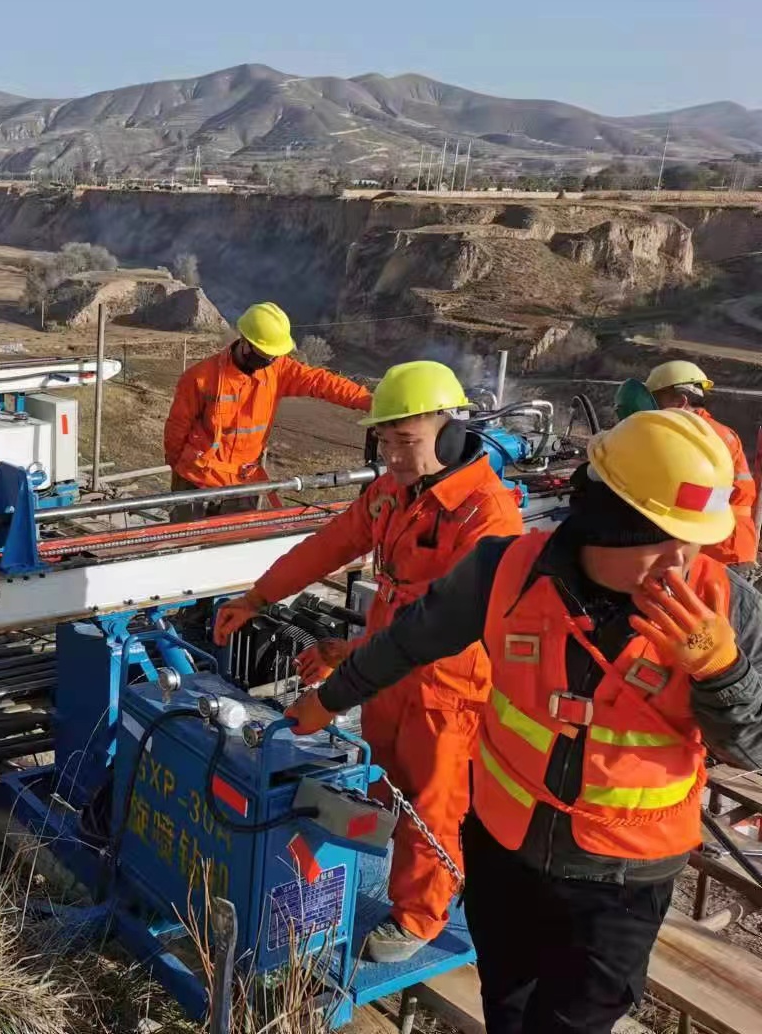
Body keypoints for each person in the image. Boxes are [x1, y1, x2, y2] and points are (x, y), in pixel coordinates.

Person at [284, 409, 762, 1034]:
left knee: (571, 1021)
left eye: (693, 541)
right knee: (506, 1006)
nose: (681, 565)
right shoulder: (504, 573)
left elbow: (749, 748)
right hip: (505, 855)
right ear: (606, 523)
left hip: (622, 883)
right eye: (662, 539)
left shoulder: (732, 610)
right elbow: (407, 642)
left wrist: (721, 672)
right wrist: (329, 700)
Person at [213, 360, 523, 962]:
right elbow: (330, 545)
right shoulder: (393, 493)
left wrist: (349, 667)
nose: (392, 459)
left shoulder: (488, 517)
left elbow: (442, 629)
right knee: (384, 780)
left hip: (445, 688)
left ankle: (419, 917)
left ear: (450, 432)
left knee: (433, 803)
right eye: (384, 443)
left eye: (405, 443)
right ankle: (381, 871)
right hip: (383, 673)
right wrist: (257, 598)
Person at [164, 302, 371, 521]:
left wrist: (369, 401)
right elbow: (177, 429)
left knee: (234, 550)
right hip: (195, 481)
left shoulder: (278, 370)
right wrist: (179, 471)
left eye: (275, 356)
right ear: (245, 342)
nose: (271, 361)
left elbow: (322, 383)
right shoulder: (200, 378)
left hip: (243, 485)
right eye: (266, 355)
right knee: (184, 547)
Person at [644, 360, 757, 565]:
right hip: (717, 541)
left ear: (680, 401)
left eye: (657, 401)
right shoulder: (709, 430)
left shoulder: (702, 435)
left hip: (721, 549)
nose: (652, 408)